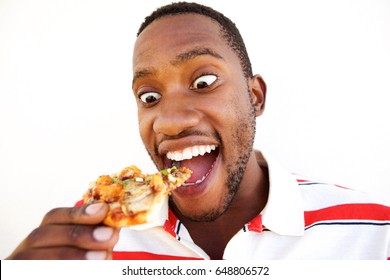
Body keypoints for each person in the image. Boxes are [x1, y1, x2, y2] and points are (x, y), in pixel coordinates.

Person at [7, 2, 390, 260]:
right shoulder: (88, 238)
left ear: (255, 97)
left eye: (204, 82)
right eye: (150, 95)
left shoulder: (376, 235)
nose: (170, 121)